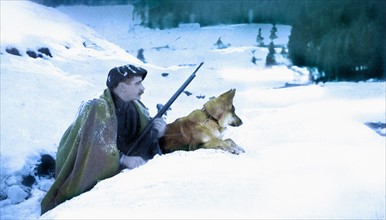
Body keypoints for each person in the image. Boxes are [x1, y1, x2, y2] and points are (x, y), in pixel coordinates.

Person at [40, 64, 166, 214]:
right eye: (137, 83)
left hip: (114, 160)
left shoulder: (135, 105)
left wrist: (158, 131)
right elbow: (95, 147)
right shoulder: (98, 106)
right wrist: (123, 159)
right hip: (84, 165)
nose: (143, 88)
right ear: (121, 86)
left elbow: (139, 133)